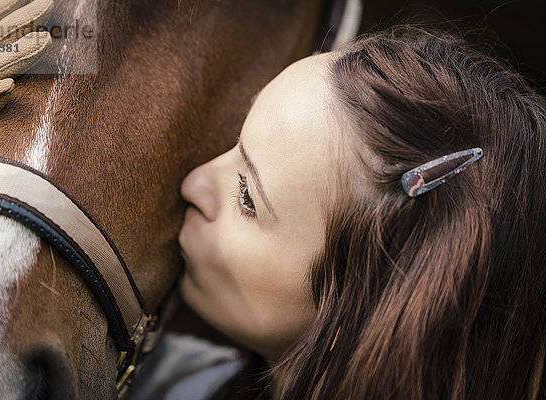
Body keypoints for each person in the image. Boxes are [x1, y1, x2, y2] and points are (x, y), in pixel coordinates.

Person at [129, 26, 546, 399]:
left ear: (366, 310)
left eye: (247, 199)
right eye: (236, 141)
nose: (193, 182)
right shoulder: (163, 377)